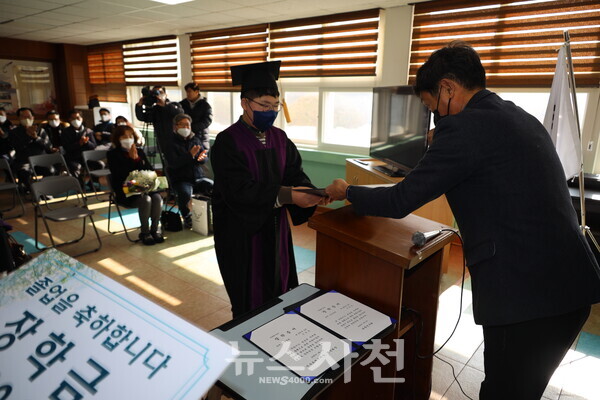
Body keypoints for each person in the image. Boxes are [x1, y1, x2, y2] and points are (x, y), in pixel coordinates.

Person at [325, 41, 600, 399]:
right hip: (568, 290)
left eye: (430, 105)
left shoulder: (464, 130)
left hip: (526, 301)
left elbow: (400, 199)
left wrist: (348, 191)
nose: (435, 115)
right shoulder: (517, 116)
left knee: (503, 392)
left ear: (448, 88)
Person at [211, 61, 328, 318]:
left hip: (275, 228)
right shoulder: (227, 142)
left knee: (279, 286)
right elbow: (237, 190)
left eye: (275, 106)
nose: (271, 111)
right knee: (248, 298)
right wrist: (286, 195)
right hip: (241, 233)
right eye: (264, 105)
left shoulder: (280, 138)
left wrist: (310, 193)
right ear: (245, 103)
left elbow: (294, 174)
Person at [107, 125, 164, 246]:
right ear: (118, 139)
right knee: (146, 200)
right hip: (126, 190)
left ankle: (154, 229)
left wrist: (138, 159)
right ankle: (145, 232)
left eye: (130, 136)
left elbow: (149, 171)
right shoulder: (112, 154)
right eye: (124, 136)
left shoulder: (140, 151)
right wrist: (131, 160)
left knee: (157, 198)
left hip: (143, 187)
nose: (128, 139)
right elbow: (119, 175)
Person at [162, 113, 211, 229]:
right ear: (175, 127)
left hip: (197, 177)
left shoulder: (195, 139)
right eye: (182, 125)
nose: (186, 128)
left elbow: (203, 156)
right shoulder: (169, 143)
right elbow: (173, 163)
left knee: (213, 186)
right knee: (185, 193)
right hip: (181, 179)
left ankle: (210, 215)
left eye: (188, 125)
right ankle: (187, 217)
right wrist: (190, 155)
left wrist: (202, 159)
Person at [8, 107, 55, 189]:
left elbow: (49, 146)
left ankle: (44, 190)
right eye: (23, 117)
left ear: (33, 118)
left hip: (40, 160)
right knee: (24, 173)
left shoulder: (40, 130)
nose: (26, 119)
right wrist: (28, 137)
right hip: (24, 161)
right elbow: (17, 148)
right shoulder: (14, 132)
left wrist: (36, 138)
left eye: (28, 117)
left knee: (51, 170)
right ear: (19, 118)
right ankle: (31, 191)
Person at [135, 86, 182, 155]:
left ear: (166, 94)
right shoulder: (155, 109)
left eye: (160, 92)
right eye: (155, 93)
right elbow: (142, 118)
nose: (158, 95)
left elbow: (179, 114)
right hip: (162, 141)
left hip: (176, 140)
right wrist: (139, 105)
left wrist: (164, 105)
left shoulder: (173, 105)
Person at [61, 109, 98, 187]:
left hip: (87, 157)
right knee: (75, 168)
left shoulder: (88, 131)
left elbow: (94, 146)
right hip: (73, 158)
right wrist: (79, 143)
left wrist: (87, 142)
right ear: (69, 119)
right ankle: (81, 187)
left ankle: (91, 183)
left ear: (82, 118)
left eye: (78, 118)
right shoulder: (65, 132)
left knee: (99, 165)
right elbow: (67, 148)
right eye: (73, 118)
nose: (76, 120)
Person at [179, 82, 212, 151]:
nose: (187, 94)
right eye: (186, 92)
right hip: (185, 137)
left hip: (201, 137)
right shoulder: (182, 104)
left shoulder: (205, 105)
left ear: (197, 92)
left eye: (189, 92)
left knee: (201, 158)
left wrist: (192, 128)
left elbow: (207, 121)